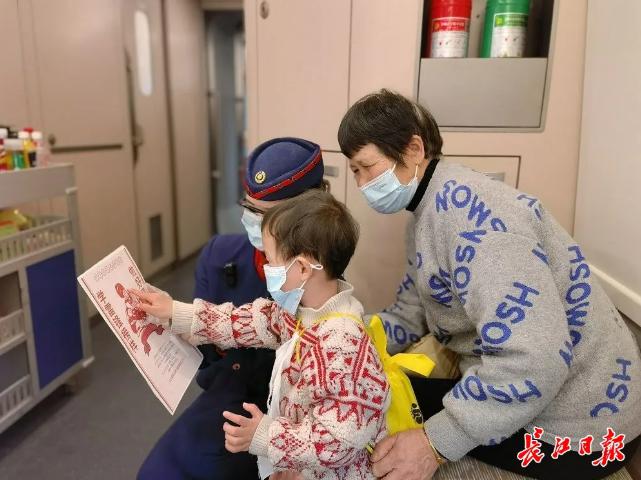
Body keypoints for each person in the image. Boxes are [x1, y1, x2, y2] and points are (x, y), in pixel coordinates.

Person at [337, 89, 641, 480]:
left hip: (580, 431)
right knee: (373, 397)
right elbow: (410, 313)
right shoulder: (427, 214)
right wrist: (344, 337)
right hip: (545, 397)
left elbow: (534, 360)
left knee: (377, 427)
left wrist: (433, 443)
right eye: (355, 172)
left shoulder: (474, 219)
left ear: (413, 149)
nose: (363, 184)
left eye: (366, 167)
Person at [135, 189, 390, 479]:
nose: (266, 268)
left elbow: (337, 442)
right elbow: (249, 321)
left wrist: (265, 436)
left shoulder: (342, 346)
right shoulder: (301, 312)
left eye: (271, 261)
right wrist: (177, 313)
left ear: (302, 268)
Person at [137, 137, 328, 480]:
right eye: (249, 208)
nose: (253, 221)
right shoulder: (223, 257)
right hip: (231, 399)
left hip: (293, 422)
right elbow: (240, 323)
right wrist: (175, 314)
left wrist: (290, 456)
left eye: (266, 215)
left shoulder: (330, 312)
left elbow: (339, 426)